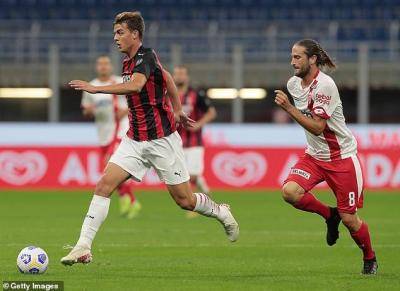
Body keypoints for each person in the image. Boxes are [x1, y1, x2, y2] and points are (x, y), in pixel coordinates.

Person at [61, 11, 239, 266]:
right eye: (114, 33)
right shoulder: (127, 61)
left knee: (185, 201)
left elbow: (135, 86)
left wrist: (96, 88)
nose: (115, 38)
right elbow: (166, 77)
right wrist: (178, 109)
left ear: (135, 34)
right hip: (134, 139)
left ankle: (221, 211)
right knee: (103, 186)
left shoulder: (146, 56)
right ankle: (83, 247)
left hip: (161, 140)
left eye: (120, 32)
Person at [274, 39, 377, 275]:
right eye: (292, 57)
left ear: (312, 59)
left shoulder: (325, 86)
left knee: (350, 219)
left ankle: (369, 257)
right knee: (289, 192)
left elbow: (319, 127)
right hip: (314, 156)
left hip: (341, 158)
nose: (292, 62)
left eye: (298, 57)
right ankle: (329, 215)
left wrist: (289, 109)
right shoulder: (293, 84)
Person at [81, 55, 141, 219]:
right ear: (96, 67)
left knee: (111, 166)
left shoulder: (118, 82)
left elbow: (135, 99)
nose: (103, 67)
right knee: (110, 170)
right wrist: (91, 109)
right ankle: (130, 199)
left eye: (106, 64)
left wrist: (126, 110)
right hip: (103, 133)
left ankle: (129, 200)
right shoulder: (92, 87)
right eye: (100, 64)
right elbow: (85, 110)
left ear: (110, 67)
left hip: (120, 130)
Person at [173, 65, 216, 217]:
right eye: (177, 74)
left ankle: (196, 207)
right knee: (186, 175)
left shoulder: (196, 94)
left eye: (182, 74)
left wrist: (198, 124)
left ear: (187, 77)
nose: (179, 77)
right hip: (175, 142)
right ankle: (207, 196)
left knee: (193, 175)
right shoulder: (168, 95)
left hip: (194, 142)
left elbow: (211, 112)